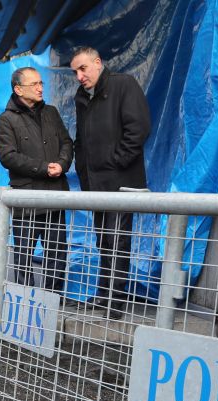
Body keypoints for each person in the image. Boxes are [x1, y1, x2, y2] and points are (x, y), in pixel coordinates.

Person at [70, 46, 151, 320]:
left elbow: (139, 128)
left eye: (83, 68)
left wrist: (116, 162)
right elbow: (81, 140)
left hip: (120, 182)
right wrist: (84, 171)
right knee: (103, 240)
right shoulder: (82, 97)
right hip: (95, 184)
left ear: (98, 62)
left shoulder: (123, 85)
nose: (79, 76)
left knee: (117, 240)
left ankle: (115, 300)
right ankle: (104, 293)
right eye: (75, 72)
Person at [0, 66, 73, 292]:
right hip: (26, 199)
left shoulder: (51, 113)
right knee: (24, 256)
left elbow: (67, 143)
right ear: (18, 89)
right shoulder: (6, 119)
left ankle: (52, 299)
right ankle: (25, 301)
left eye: (41, 83)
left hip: (55, 196)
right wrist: (44, 168)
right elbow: (8, 156)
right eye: (34, 84)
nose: (40, 88)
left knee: (57, 253)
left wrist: (62, 164)